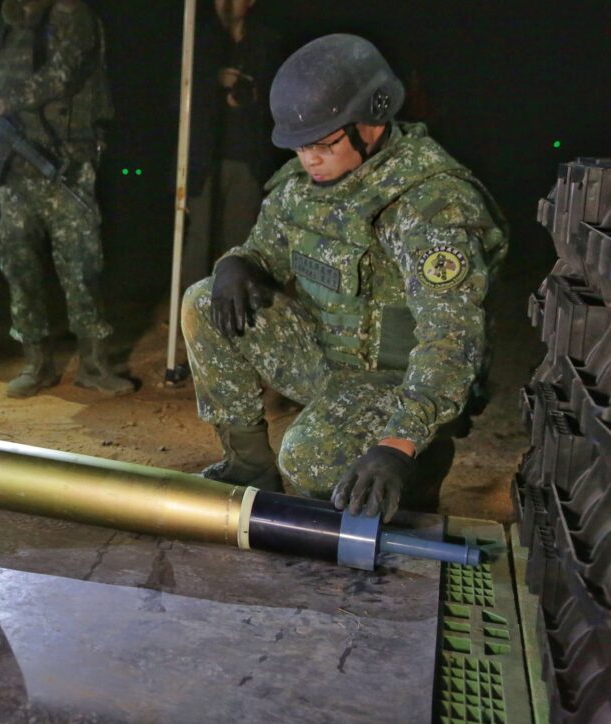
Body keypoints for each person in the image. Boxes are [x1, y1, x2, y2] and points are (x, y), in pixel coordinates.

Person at [181, 34, 508, 522]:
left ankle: (420, 466)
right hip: (325, 359)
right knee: (205, 300)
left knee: (308, 460)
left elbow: (452, 341)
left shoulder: (432, 204)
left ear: (371, 122)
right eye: (300, 146)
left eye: (323, 144)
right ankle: (249, 467)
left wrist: (398, 444)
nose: (309, 159)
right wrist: (237, 262)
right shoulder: (303, 184)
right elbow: (262, 251)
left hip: (399, 380)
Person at [0, 0, 132, 398]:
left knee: (81, 265)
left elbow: (63, 75)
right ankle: (36, 362)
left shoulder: (73, 16)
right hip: (12, 165)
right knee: (18, 264)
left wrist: (5, 102)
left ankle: (94, 363)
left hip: (66, 164)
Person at [181, 0, 285, 284]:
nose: (226, 3)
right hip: (204, 160)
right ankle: (192, 305)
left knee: (239, 242)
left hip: (247, 159)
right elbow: (178, 101)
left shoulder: (266, 44)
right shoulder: (198, 42)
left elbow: (277, 103)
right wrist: (213, 82)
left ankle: (233, 304)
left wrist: (250, 94)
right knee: (199, 239)